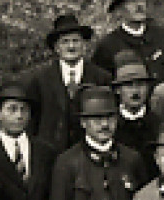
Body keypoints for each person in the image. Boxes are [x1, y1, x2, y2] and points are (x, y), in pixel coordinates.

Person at [28, 11, 111, 155]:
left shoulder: (101, 78)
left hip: (91, 156)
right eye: (65, 41)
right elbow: (32, 122)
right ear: (56, 48)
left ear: (84, 45)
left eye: (75, 41)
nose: (71, 46)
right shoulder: (40, 79)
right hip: (50, 156)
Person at [92, 0, 164, 83]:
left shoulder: (163, 36)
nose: (139, 5)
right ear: (119, 10)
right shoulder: (108, 46)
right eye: (131, 1)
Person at [109, 52, 163, 163]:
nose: (135, 91)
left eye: (140, 84)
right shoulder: (110, 127)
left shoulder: (160, 126)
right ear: (118, 90)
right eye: (129, 85)